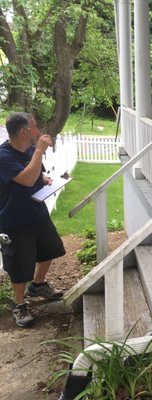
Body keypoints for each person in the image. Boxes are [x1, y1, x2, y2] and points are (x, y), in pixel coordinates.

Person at [0, 112, 65, 328]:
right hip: (14, 219)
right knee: (19, 263)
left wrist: (45, 179)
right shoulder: (4, 156)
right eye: (35, 127)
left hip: (36, 212)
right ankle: (19, 304)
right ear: (23, 132)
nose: (38, 131)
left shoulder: (28, 149)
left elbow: (35, 174)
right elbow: (26, 180)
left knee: (50, 248)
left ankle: (37, 285)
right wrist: (39, 150)